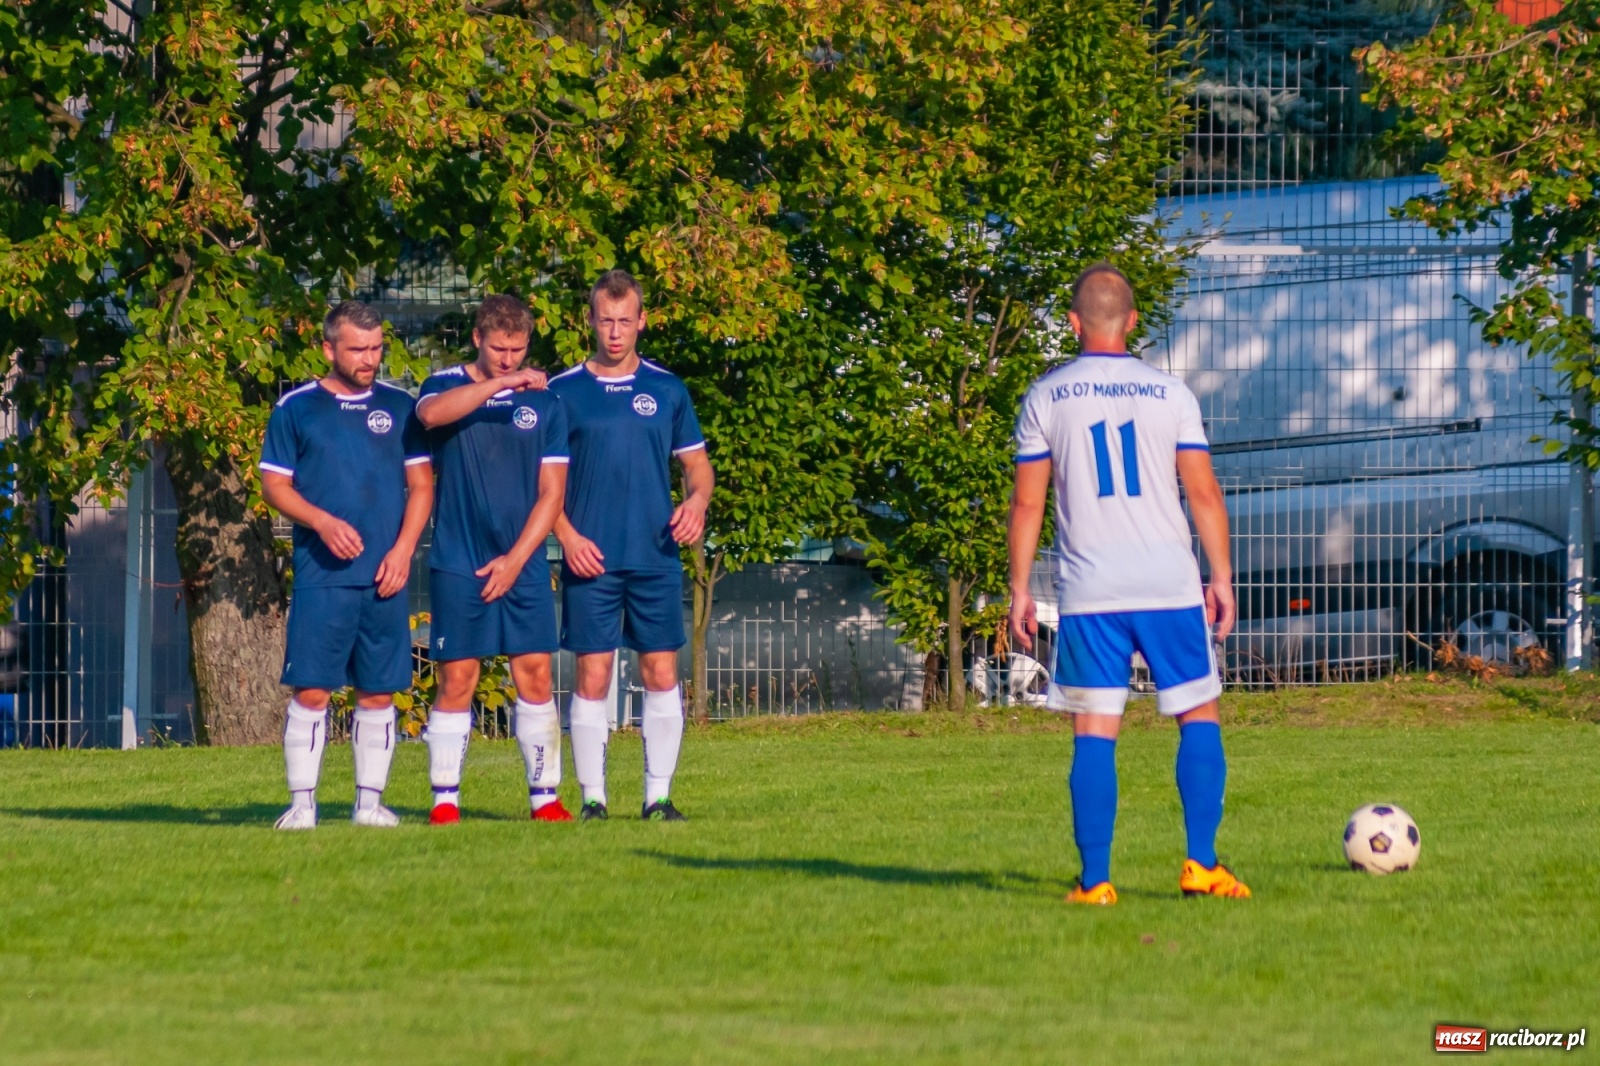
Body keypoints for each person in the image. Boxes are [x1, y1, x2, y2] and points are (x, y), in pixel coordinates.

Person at [1007, 263, 1250, 903]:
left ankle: (1097, 882)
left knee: (1094, 728)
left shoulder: (1045, 396)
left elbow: (1028, 505)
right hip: (1168, 584)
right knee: (1199, 714)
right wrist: (1220, 577)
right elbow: (1202, 492)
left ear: (1073, 323)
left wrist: (1018, 589)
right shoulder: (1171, 395)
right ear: (1134, 321)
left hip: (1091, 593)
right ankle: (1201, 864)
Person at [547, 269, 714, 821]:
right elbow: (541, 484)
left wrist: (695, 504)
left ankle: (658, 797)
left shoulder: (667, 389)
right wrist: (566, 536)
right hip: (590, 557)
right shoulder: (563, 391)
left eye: (626, 321)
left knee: (661, 672)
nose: (615, 332)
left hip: (654, 556)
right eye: (605, 320)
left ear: (642, 321)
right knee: (592, 676)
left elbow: (697, 468)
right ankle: (593, 799)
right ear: (590, 320)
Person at [260, 301, 433, 830]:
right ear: (328, 347)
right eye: (358, 349)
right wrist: (322, 522)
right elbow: (274, 487)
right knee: (312, 688)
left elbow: (423, 487)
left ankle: (368, 804)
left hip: (385, 576)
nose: (369, 359)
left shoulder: (402, 407)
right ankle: (302, 804)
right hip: (323, 577)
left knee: (378, 691)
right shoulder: (296, 409)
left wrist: (403, 550)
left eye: (377, 348)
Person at [414, 294, 571, 825]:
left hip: (522, 561)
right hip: (459, 560)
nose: (509, 359)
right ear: (478, 338)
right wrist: (499, 385)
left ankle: (545, 799)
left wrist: (515, 559)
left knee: (535, 675)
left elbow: (552, 494)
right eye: (499, 348)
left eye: (518, 350)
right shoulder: (444, 386)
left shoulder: (547, 404)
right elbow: (432, 415)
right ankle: (444, 802)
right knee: (457, 677)